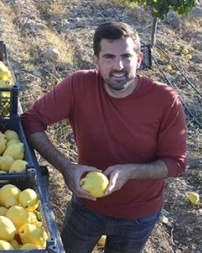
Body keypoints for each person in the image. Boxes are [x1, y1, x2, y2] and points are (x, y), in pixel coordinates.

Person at [21, 21, 187, 253]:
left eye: (126, 57)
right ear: (95, 61)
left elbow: (176, 163)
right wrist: (66, 168)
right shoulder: (79, 85)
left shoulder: (164, 100)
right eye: (109, 57)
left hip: (139, 216)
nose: (119, 66)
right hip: (87, 205)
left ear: (139, 60)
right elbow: (31, 120)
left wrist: (131, 172)